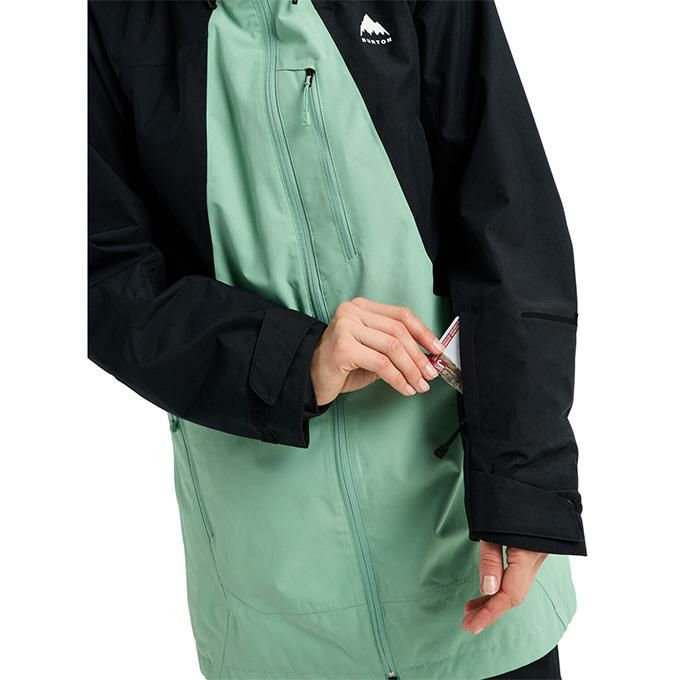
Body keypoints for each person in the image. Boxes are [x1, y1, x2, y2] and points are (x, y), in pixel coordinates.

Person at [88, 1, 586, 678]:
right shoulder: (106, 21)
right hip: (270, 598)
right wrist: (294, 361)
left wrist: (525, 493)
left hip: (469, 561)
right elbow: (101, 274)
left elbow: (512, 226)